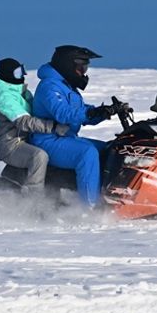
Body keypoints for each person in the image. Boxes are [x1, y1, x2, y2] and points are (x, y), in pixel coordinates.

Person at [30, 45, 125, 208]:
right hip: (47, 140)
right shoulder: (49, 86)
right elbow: (63, 113)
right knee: (87, 153)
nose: (83, 73)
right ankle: (90, 208)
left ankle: (112, 197)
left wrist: (104, 112)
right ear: (67, 65)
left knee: (111, 149)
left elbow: (80, 111)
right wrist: (90, 113)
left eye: (85, 68)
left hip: (65, 138)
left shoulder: (66, 86)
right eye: (81, 68)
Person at [0, 57, 68, 191]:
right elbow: (23, 122)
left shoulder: (23, 94)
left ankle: (56, 193)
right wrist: (53, 127)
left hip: (27, 141)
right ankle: (33, 197)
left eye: (22, 70)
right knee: (39, 157)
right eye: (18, 73)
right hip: (11, 144)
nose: (22, 75)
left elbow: (38, 112)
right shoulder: (4, 98)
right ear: (8, 75)